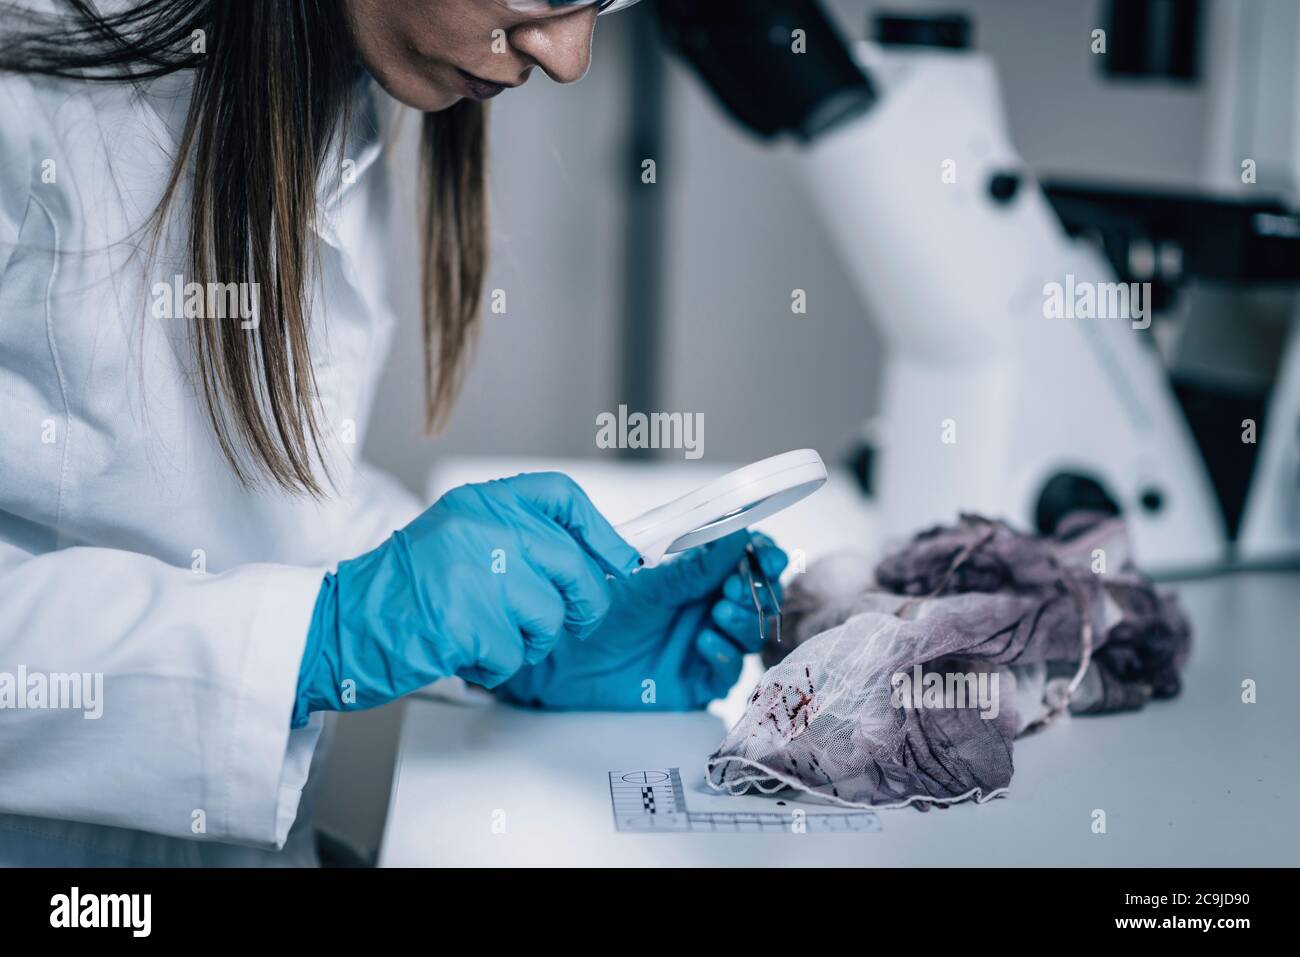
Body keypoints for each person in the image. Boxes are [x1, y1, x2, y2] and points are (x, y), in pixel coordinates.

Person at [0, 0, 787, 866]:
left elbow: (256, 502)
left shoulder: (338, 74)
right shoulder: (28, 89)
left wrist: (517, 630)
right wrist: (319, 638)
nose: (569, 58)